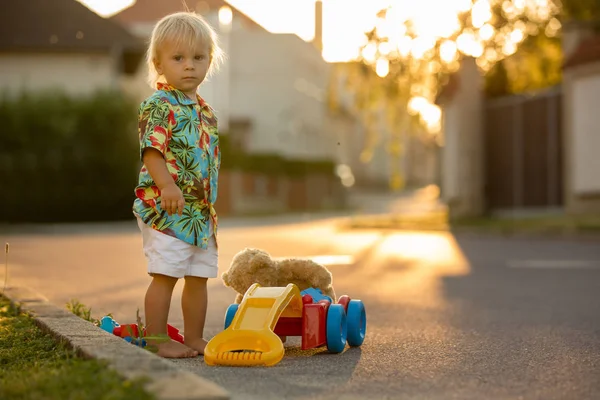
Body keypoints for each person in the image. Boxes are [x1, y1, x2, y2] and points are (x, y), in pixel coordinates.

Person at [133, 11, 224, 358]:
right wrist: (168, 187)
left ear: (209, 61)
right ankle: (157, 339)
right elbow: (152, 151)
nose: (189, 66)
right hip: (165, 207)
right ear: (159, 63)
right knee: (166, 273)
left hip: (199, 213)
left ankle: (194, 336)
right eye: (178, 58)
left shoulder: (206, 111)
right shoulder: (159, 104)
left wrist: (210, 198)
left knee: (198, 276)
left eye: (198, 58)